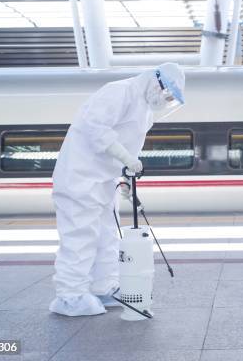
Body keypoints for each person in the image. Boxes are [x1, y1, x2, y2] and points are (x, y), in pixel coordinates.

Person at [49, 63, 185, 317]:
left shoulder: (145, 110)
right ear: (156, 81)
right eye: (167, 94)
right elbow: (94, 128)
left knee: (107, 235)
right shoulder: (119, 92)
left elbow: (129, 149)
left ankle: (104, 287)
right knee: (80, 236)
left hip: (103, 181)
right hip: (80, 177)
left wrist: (127, 181)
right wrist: (126, 158)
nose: (166, 101)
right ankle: (70, 297)